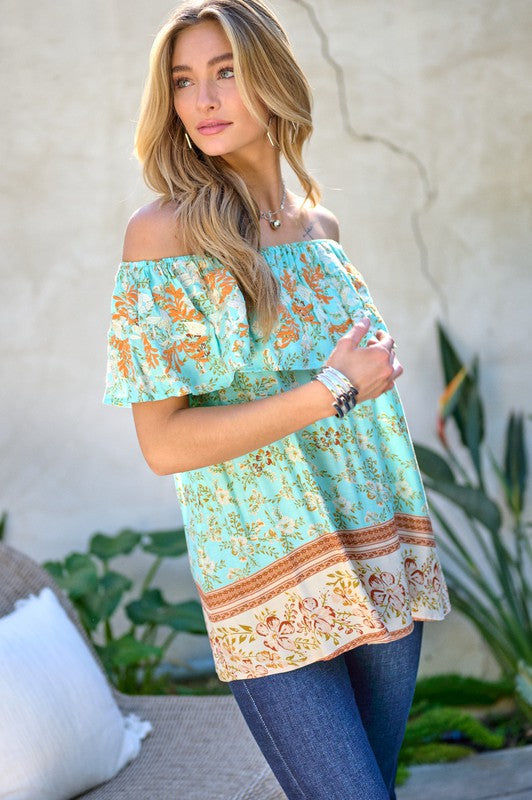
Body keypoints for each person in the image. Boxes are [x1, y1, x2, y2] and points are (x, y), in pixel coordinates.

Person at [103, 1, 451, 797]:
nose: (205, 99)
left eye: (226, 72)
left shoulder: (321, 229)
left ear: (274, 79)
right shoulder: (166, 234)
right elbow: (164, 444)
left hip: (377, 548)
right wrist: (333, 388)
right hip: (267, 583)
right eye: (185, 81)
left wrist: (366, 379)